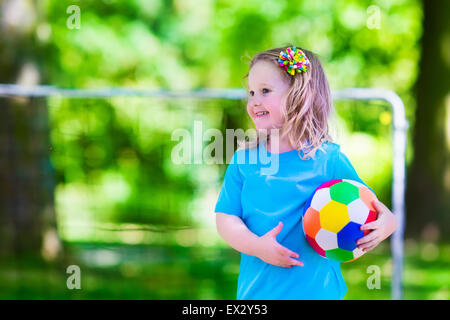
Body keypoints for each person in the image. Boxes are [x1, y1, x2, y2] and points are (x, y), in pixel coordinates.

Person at [214, 46, 397, 300]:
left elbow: (371, 208)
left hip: (320, 293)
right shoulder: (244, 161)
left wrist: (388, 222)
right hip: (258, 294)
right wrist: (257, 246)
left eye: (265, 91)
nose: (254, 101)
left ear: (299, 95)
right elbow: (226, 218)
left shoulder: (329, 160)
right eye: (251, 92)